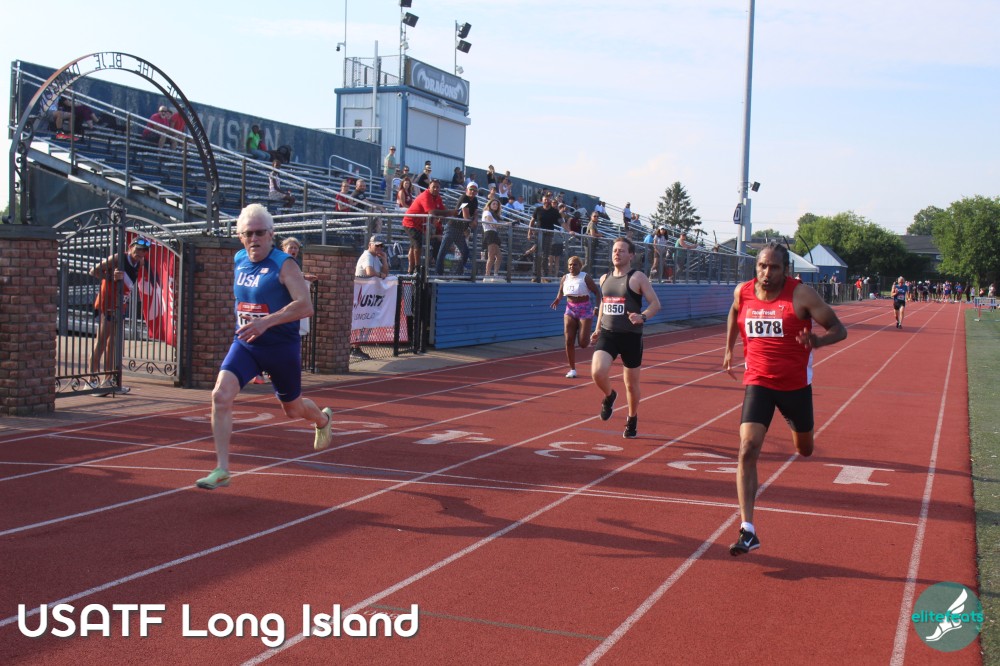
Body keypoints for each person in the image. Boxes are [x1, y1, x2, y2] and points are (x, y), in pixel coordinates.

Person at [722, 241, 847, 555]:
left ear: (786, 270)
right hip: (759, 382)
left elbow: (839, 329)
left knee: (804, 449)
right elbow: (734, 312)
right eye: (762, 266)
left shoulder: (801, 295)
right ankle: (747, 529)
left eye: (774, 267)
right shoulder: (743, 292)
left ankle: (800, 432)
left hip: (794, 388)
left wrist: (817, 340)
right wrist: (729, 349)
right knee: (747, 448)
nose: (767, 273)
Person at [195, 204, 333, 490]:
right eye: (248, 234)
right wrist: (252, 322)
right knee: (220, 395)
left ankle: (322, 419)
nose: (254, 239)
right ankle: (222, 469)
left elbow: (305, 306)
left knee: (292, 410)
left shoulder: (285, 264)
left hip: (281, 348)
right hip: (247, 345)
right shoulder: (239, 259)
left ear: (271, 234)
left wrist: (266, 322)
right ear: (240, 236)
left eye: (260, 233)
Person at [590, 237, 662, 438]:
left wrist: (642, 317)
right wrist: (597, 328)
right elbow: (604, 303)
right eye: (615, 250)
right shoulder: (604, 278)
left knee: (631, 384)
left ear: (631, 255)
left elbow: (655, 304)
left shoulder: (637, 277)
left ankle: (632, 418)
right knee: (597, 372)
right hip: (608, 334)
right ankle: (609, 395)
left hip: (631, 336)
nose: (617, 253)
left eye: (621, 250)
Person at [88, 237, 151, 379]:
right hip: (106, 304)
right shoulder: (118, 258)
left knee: (113, 344)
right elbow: (93, 271)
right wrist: (110, 276)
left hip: (120, 305)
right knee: (101, 342)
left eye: (144, 251)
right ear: (130, 247)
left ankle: (108, 379)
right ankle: (91, 379)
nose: (141, 253)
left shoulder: (140, 262)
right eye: (138, 249)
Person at [552, 256, 601, 378]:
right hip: (570, 309)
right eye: (570, 264)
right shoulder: (565, 277)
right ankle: (572, 369)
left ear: (580, 266)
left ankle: (591, 336)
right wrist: (558, 299)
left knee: (583, 343)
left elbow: (597, 292)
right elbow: (561, 291)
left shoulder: (585, 277)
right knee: (569, 341)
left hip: (584, 309)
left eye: (574, 264)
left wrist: (596, 307)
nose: (571, 267)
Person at [401, 179, 456, 274]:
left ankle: (412, 269)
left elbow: (442, 209)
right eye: (433, 187)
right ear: (429, 187)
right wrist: (450, 212)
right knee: (417, 243)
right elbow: (432, 212)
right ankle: (417, 268)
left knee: (414, 244)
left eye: (437, 187)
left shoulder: (438, 197)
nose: (435, 189)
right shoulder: (425, 195)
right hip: (411, 222)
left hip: (422, 224)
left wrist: (452, 213)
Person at [436, 182, 479, 276]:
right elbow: (466, 216)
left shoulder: (475, 200)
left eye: (475, 190)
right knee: (443, 250)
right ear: (466, 190)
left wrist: (475, 220)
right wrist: (472, 222)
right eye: (471, 189)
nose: (472, 191)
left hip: (460, 230)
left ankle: (458, 273)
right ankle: (438, 273)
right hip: (452, 227)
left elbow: (476, 213)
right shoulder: (464, 198)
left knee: (465, 252)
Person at [481, 198, 504, 279]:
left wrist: (511, 223)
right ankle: (487, 275)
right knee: (491, 256)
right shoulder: (487, 212)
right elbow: (492, 225)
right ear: (489, 205)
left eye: (497, 204)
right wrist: (506, 224)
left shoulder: (495, 215)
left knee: (499, 256)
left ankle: (495, 274)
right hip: (489, 234)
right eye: (493, 204)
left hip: (494, 234)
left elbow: (499, 224)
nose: (495, 205)